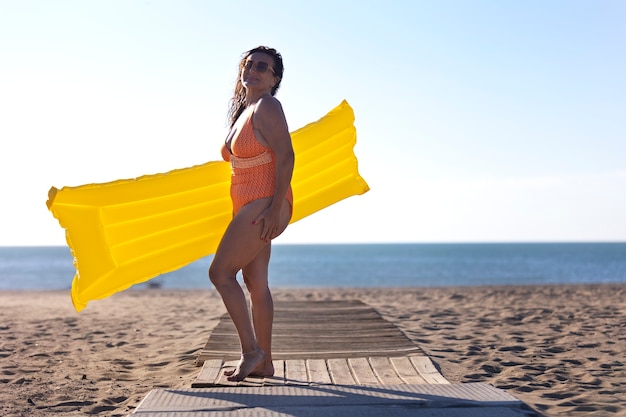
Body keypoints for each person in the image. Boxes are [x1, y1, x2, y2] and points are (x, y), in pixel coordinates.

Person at [209, 46, 294, 382]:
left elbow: (287, 156)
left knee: (220, 274)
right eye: (250, 64)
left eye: (264, 66)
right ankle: (265, 363)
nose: (254, 69)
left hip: (264, 205)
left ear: (274, 79)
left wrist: (275, 209)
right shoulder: (246, 110)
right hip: (247, 205)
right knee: (256, 284)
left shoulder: (269, 105)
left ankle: (250, 351)